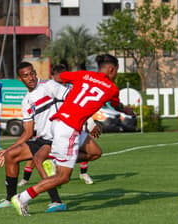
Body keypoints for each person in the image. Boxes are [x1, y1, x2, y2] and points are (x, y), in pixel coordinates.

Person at [11, 54, 122, 216]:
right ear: (112, 69)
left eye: (32, 74)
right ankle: (22, 197)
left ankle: (55, 161)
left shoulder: (85, 75)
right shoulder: (111, 87)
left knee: (95, 152)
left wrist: (68, 80)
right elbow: (114, 104)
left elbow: (62, 77)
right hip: (68, 127)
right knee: (63, 177)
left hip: (62, 124)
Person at [0, 62, 70, 212]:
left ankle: (56, 201)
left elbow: (73, 99)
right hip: (42, 139)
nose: (30, 77)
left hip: (58, 138)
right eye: (26, 75)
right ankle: (10, 198)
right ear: (20, 79)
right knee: (11, 155)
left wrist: (89, 122)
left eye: (32, 73)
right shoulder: (26, 101)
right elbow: (27, 132)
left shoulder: (49, 85)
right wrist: (9, 149)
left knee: (39, 159)